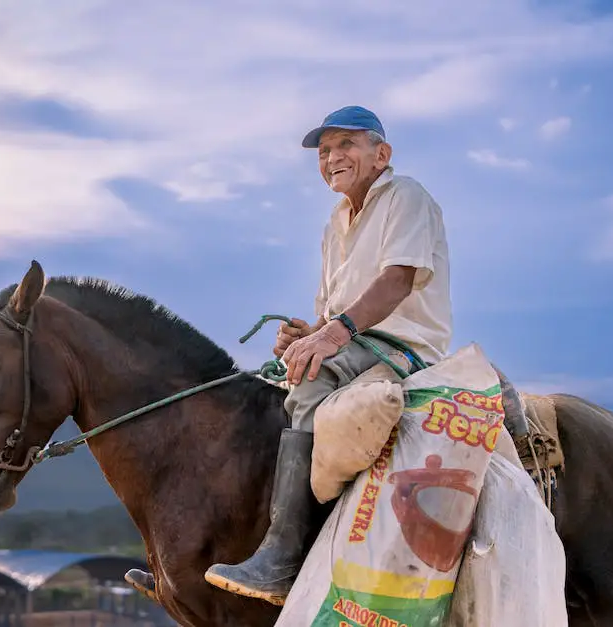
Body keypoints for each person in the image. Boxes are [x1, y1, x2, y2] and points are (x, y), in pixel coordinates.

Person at [123, 105, 454, 606]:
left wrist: (330, 336)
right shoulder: (336, 221)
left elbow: (396, 281)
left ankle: (283, 558)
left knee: (312, 386)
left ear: (381, 154)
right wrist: (305, 333)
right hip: (354, 342)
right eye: (324, 152)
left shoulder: (406, 196)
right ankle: (192, 564)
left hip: (400, 347)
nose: (332, 157)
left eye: (346, 145)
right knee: (252, 402)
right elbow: (332, 312)